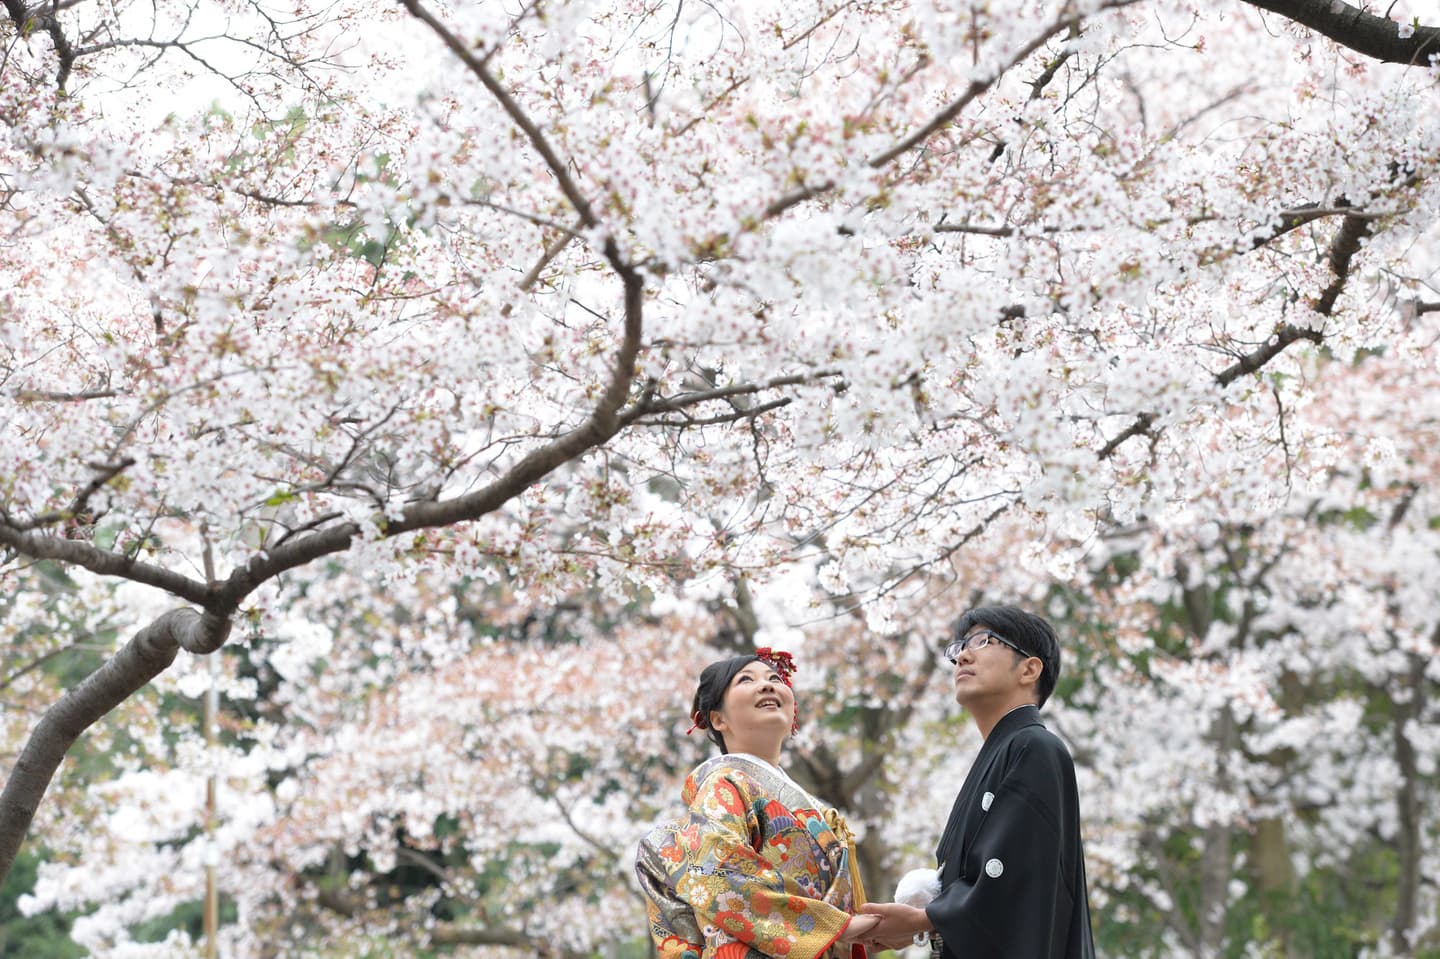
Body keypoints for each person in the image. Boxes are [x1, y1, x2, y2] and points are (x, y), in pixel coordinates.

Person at [859, 606, 1096, 958]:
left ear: (1029, 669)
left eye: (984, 641)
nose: (963, 656)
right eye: (959, 648)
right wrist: (925, 924)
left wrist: (924, 919)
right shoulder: (1006, 751)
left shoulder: (1035, 746)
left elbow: (1018, 876)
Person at [635, 648, 880, 959]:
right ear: (718, 719)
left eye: (775, 678)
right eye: (746, 680)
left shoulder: (809, 805)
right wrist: (834, 926)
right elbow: (717, 868)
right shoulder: (723, 784)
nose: (767, 685)